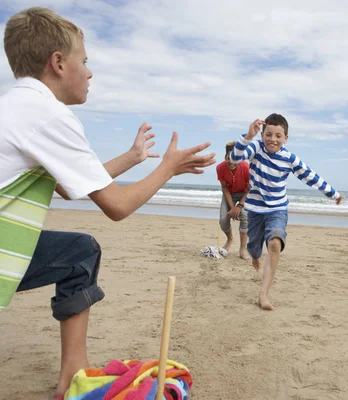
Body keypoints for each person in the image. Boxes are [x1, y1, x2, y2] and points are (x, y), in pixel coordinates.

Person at [0, 7, 215, 399]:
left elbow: (69, 187)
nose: (90, 72)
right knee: (81, 251)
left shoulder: (18, 105)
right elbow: (117, 206)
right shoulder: (48, 114)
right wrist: (167, 168)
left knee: (79, 252)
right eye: (85, 60)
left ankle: (73, 373)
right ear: (59, 63)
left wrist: (132, 159)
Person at [230, 114, 343, 310]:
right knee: (254, 248)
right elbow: (235, 158)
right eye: (268, 134)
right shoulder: (255, 148)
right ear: (262, 134)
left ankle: (263, 294)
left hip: (278, 209)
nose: (272, 139)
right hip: (255, 210)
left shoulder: (289, 159)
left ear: (285, 138)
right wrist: (248, 136)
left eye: (278, 135)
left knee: (274, 243)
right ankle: (255, 255)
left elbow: (311, 176)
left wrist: (333, 194)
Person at [216, 141, 250, 259]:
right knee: (224, 219)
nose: (231, 163)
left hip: (245, 194)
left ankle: (242, 249)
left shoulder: (246, 167)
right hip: (229, 194)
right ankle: (230, 240)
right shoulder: (220, 168)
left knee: (245, 216)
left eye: (234, 161)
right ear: (225, 157)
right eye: (228, 159)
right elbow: (224, 188)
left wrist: (239, 206)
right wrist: (232, 208)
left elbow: (249, 189)